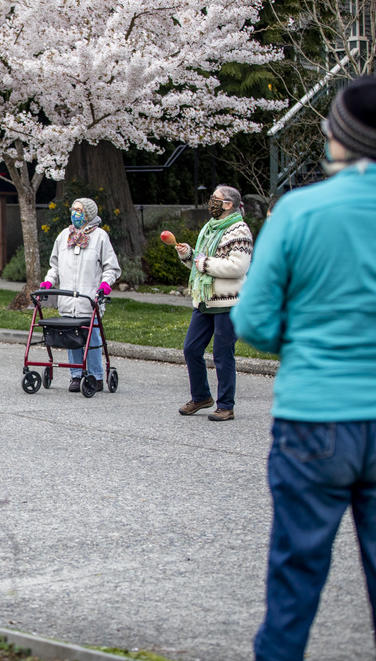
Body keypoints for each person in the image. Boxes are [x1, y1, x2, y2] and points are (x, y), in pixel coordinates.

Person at [232, 76, 376, 661]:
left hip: (313, 414)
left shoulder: (299, 210)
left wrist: (307, 338)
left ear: (340, 139)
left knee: (295, 575)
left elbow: (254, 321)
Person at [174, 185, 253, 421]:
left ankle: (226, 405)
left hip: (229, 302)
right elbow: (200, 261)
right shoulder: (210, 228)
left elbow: (237, 266)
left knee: (222, 353)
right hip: (206, 300)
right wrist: (189, 255)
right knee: (191, 349)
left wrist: (203, 263)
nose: (211, 202)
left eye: (215, 199)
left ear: (228, 204)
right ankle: (201, 397)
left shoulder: (239, 231)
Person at [39, 197, 121, 393]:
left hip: (88, 299)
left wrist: (104, 285)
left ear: (89, 214)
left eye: (79, 210)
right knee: (71, 338)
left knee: (91, 339)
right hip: (68, 300)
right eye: (73, 209)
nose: (75, 213)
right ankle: (76, 375)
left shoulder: (100, 237)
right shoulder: (64, 236)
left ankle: (96, 376)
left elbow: (111, 267)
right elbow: (55, 266)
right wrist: (48, 282)